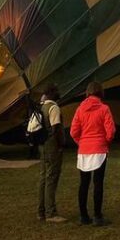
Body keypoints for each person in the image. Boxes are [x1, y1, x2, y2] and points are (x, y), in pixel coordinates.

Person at [69, 81, 116, 226]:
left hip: (84, 150)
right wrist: (105, 142)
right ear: (100, 92)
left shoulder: (80, 109)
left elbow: (73, 132)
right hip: (99, 150)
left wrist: (81, 142)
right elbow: (111, 131)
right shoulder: (104, 109)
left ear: (88, 92)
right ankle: (97, 216)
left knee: (83, 183)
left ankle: (83, 216)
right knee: (98, 183)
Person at [36, 83, 66, 223]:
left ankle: (41, 212)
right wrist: (61, 144)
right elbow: (56, 129)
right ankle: (51, 213)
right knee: (52, 178)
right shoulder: (53, 108)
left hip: (42, 146)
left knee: (43, 178)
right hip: (52, 146)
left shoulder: (41, 107)